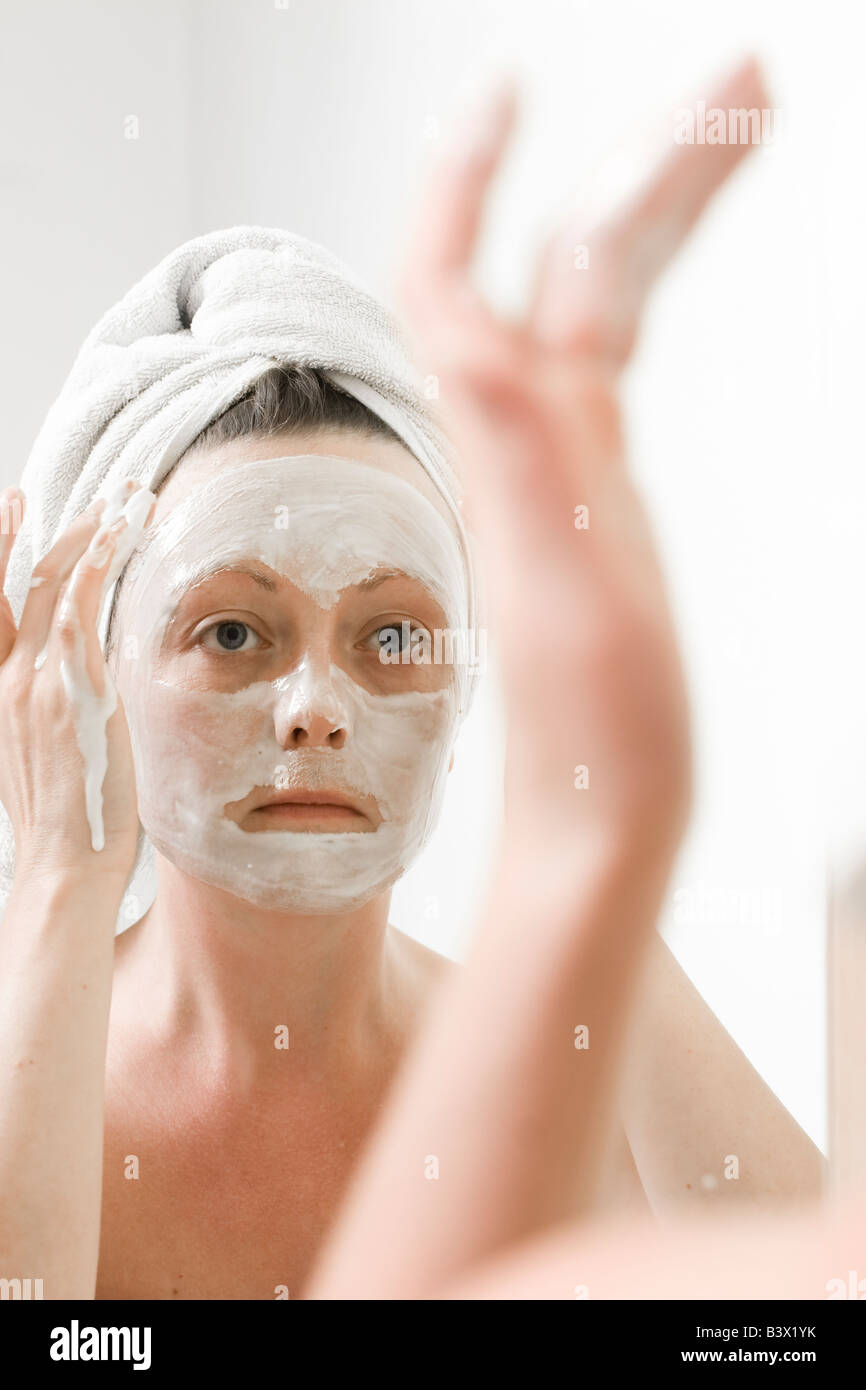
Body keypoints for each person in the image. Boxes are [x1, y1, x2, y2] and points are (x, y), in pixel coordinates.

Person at [0, 58, 822, 1302]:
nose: (315, 706)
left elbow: (807, 1315)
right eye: (232, 632)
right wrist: (60, 879)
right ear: (85, 674)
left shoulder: (571, 1099)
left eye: (393, 636)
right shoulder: (28, 1062)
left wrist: (584, 823)